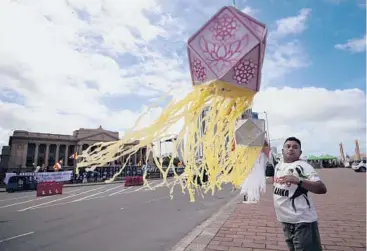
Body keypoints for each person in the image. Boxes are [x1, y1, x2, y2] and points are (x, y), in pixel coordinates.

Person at [273, 137, 327, 251]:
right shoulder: (279, 165)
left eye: (295, 147)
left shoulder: (303, 166)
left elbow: (322, 188)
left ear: (300, 152)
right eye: (288, 146)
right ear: (282, 150)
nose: (291, 149)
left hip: (302, 223)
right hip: (285, 221)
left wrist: (298, 181)